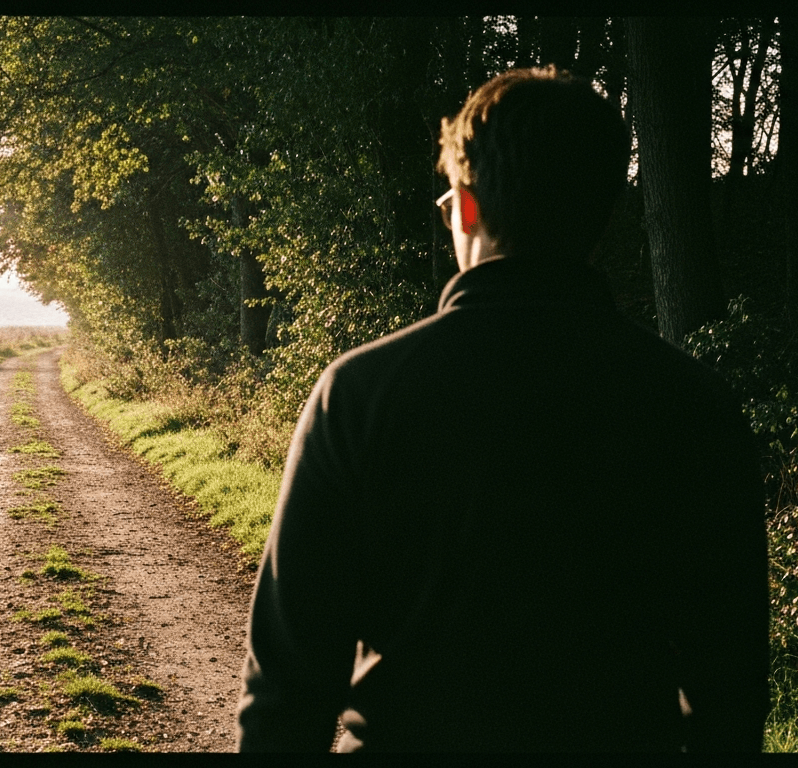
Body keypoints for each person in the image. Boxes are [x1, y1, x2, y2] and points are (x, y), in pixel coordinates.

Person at [235, 66, 769, 752]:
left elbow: (288, 682)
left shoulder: (361, 393)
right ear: (602, 209)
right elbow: (731, 688)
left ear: (466, 207)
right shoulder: (694, 405)